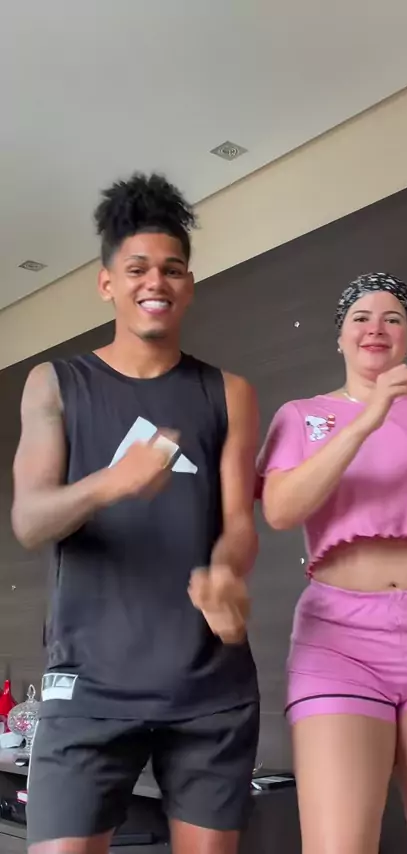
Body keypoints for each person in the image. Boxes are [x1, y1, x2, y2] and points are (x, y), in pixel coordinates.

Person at [12, 173, 260, 854]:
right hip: (88, 689)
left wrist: (226, 571)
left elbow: (239, 524)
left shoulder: (229, 392)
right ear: (107, 283)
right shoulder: (55, 384)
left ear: (189, 284)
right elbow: (30, 520)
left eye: (173, 269)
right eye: (138, 268)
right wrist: (110, 483)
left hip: (209, 687)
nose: (157, 282)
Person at [257, 272, 407, 854]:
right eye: (360, 317)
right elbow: (280, 509)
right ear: (340, 337)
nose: (375, 328)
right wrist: (369, 415)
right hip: (339, 641)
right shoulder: (301, 415)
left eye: (392, 319)